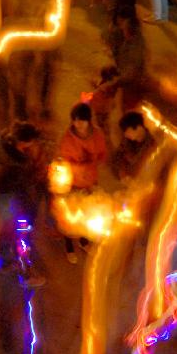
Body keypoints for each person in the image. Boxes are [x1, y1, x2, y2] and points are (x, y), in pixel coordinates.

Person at [0, 121, 47, 283]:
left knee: (8, 231)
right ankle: (27, 274)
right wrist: (29, 210)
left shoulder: (6, 147)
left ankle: (6, 262)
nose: (34, 145)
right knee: (22, 236)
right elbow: (23, 188)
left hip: (4, 198)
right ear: (23, 143)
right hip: (17, 203)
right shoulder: (18, 163)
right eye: (31, 142)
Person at [57, 103, 107, 263]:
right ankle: (69, 247)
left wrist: (91, 166)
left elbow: (102, 154)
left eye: (82, 120)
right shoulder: (67, 139)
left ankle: (84, 241)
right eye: (75, 120)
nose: (78, 124)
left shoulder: (97, 135)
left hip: (90, 181)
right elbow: (65, 162)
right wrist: (80, 167)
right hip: (72, 183)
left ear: (88, 121)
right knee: (70, 216)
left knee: (87, 213)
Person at [112, 111, 155, 181]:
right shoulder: (127, 142)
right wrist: (122, 170)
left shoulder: (151, 144)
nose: (126, 134)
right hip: (129, 182)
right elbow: (117, 156)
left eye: (127, 131)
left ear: (138, 127)